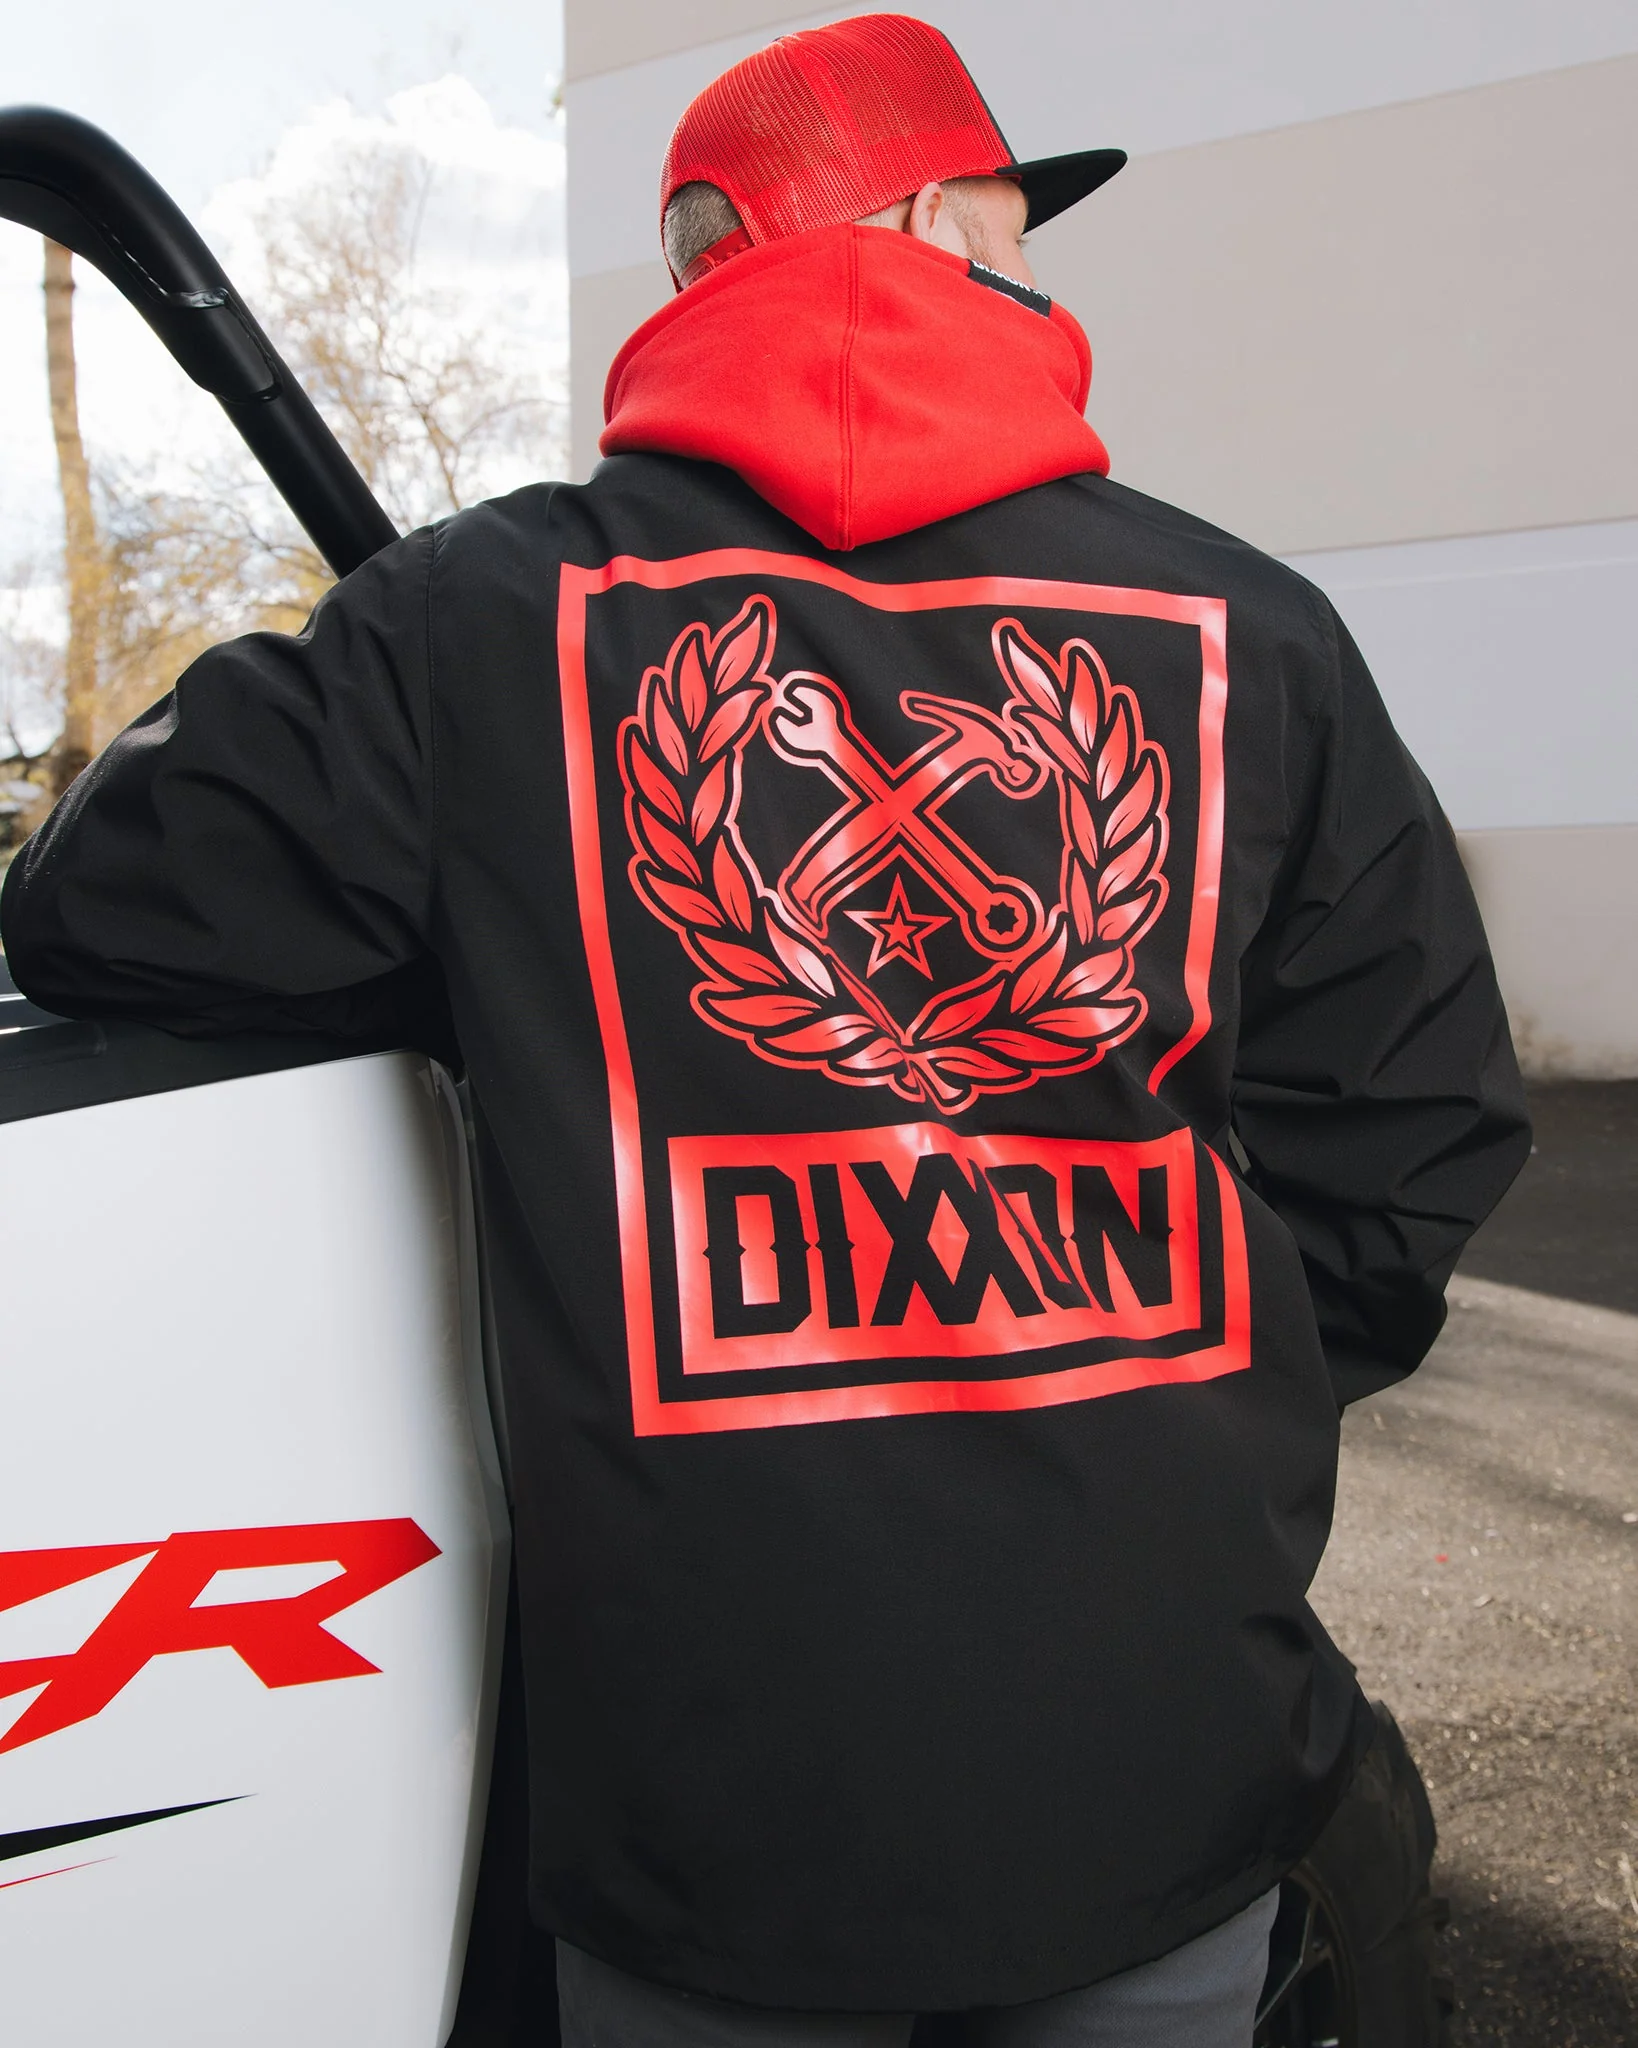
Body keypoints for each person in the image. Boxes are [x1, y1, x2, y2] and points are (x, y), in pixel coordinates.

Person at [2, 14, 1529, 2045]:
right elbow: (1411, 1137)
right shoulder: (1251, 632)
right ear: (925, 224)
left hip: (708, 1821)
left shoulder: (475, 624)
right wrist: (1180, 1413)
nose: (1028, 266)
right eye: (1011, 222)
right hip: (1149, 1749)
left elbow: (104, 899)